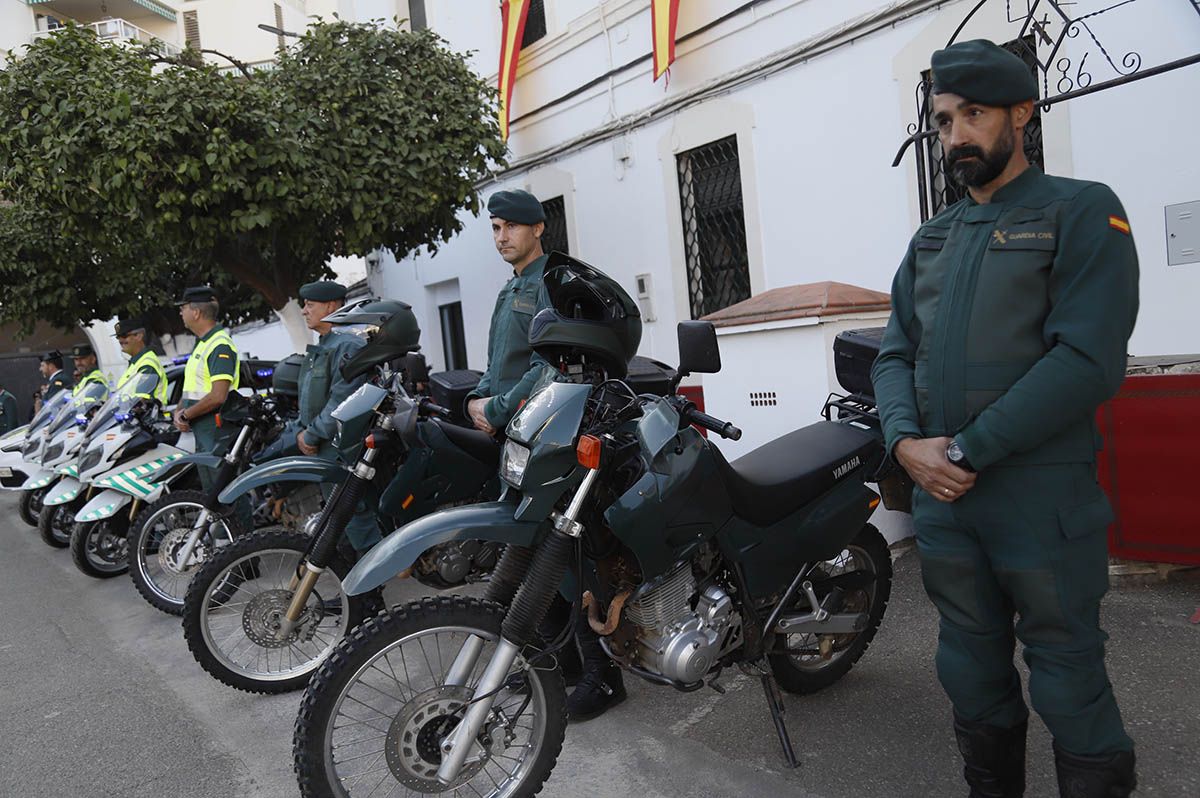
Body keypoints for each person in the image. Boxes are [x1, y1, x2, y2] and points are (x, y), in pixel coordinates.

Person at [872, 40, 1139, 797]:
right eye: (943, 120)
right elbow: (893, 355)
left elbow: (1088, 360)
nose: (955, 136)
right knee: (968, 667)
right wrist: (904, 443)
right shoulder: (930, 241)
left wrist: (962, 449)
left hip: (1039, 499)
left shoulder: (1083, 211)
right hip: (948, 505)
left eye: (973, 115)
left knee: (1067, 675)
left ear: (1022, 113)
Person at [466, 188, 626, 721]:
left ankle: (603, 674)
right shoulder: (508, 290)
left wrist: (502, 405)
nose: (501, 236)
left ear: (539, 229)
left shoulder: (555, 287)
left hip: (547, 430)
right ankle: (566, 665)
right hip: (515, 434)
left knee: (561, 554)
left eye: (511, 226)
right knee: (532, 548)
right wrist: (478, 401)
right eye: (494, 227)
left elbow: (553, 364)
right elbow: (498, 362)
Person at [288, 280, 378, 554]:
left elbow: (342, 402)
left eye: (310, 305)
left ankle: (369, 593)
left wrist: (312, 434)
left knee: (353, 520)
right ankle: (354, 591)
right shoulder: (326, 344)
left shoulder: (346, 345)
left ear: (330, 306)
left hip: (340, 447)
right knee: (337, 522)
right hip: (326, 448)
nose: (304, 311)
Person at [173, 286, 251, 529]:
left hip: (217, 430)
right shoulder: (203, 344)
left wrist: (186, 414)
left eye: (183, 308)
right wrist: (180, 410)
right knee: (214, 496)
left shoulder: (219, 345)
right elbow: (193, 388)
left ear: (196, 312)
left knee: (229, 495)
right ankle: (229, 555)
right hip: (205, 431)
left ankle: (247, 561)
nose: (181, 313)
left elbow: (218, 395)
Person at [113, 316, 168, 403]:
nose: (120, 340)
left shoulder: (147, 364)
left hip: (150, 416)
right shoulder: (136, 363)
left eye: (124, 336)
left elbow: (140, 401)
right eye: (118, 337)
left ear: (139, 336)